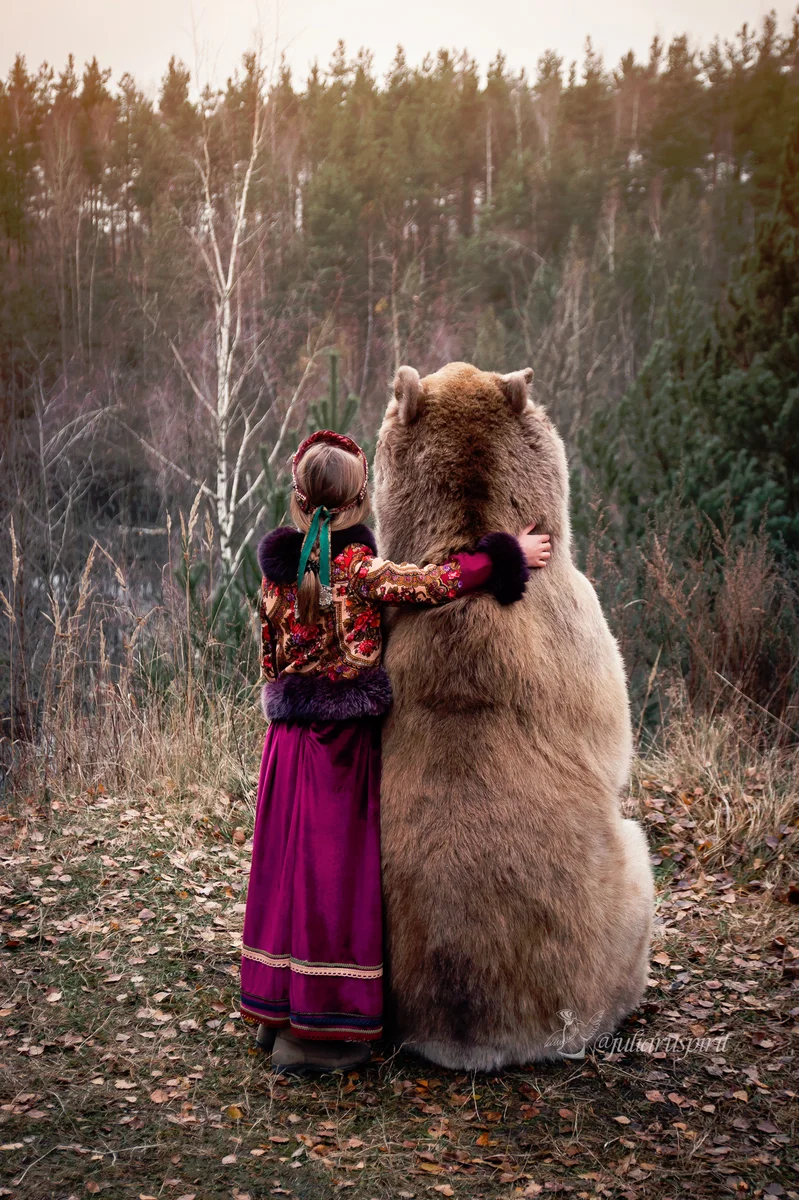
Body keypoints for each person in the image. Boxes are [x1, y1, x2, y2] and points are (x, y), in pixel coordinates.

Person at [239, 429, 551, 1072]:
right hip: (339, 749)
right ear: (359, 503)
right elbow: (434, 583)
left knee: (287, 873)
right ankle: (318, 1037)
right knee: (332, 878)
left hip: (286, 744)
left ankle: (277, 1014)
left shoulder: (276, 575)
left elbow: (268, 659)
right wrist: (506, 555)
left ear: (296, 498)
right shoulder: (358, 569)